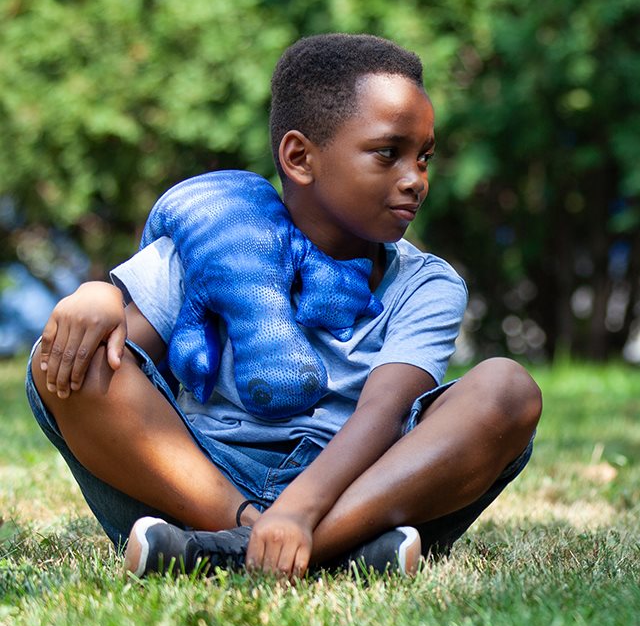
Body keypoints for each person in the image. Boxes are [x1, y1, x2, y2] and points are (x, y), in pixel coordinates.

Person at [27, 33, 541, 580]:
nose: (415, 179)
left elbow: (383, 415)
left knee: (507, 390)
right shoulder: (216, 240)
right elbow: (122, 352)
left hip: (355, 485)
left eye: (425, 157)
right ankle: (322, 552)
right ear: (299, 158)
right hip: (199, 482)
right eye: (388, 153)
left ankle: (222, 552)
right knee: (65, 363)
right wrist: (98, 296)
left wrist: (298, 513)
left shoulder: (427, 284)